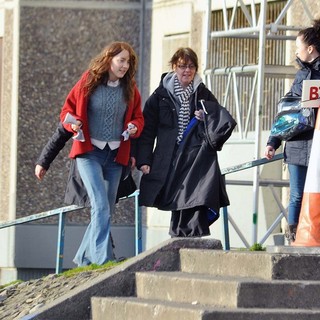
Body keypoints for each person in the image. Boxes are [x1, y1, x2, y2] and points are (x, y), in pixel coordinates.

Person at [56, 41, 144, 266]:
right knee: (101, 206)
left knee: (106, 210)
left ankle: (84, 258)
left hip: (115, 156)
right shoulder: (89, 81)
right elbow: (67, 110)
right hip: (89, 153)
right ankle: (101, 260)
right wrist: (73, 123)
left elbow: (138, 117)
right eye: (121, 60)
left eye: (128, 62)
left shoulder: (130, 88)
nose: (125, 65)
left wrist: (134, 126)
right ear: (109, 59)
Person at [136, 47, 236, 238]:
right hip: (169, 157)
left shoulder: (203, 94)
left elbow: (220, 119)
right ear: (174, 67)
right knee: (177, 197)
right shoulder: (159, 97)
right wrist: (144, 160)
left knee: (195, 197)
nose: (187, 71)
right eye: (182, 66)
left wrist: (205, 115)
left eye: (191, 66)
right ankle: (179, 236)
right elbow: (147, 132)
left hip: (195, 156)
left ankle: (192, 235)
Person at [264, 19, 320, 244]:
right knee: (296, 195)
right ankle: (294, 240)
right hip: (297, 146)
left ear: (310, 48)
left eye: (298, 47)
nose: (296, 51)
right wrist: (272, 141)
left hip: (316, 147)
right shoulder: (299, 76)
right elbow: (286, 114)